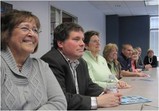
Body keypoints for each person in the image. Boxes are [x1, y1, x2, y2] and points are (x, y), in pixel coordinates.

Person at [41, 23, 122, 110]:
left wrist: (105, 93)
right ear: (60, 43)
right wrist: (97, 101)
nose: (82, 44)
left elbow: (89, 85)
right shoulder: (50, 61)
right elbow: (60, 98)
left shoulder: (81, 62)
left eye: (82, 40)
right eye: (76, 39)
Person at [1, 9, 67, 110]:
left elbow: (59, 102)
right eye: (24, 28)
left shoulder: (42, 66)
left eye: (35, 30)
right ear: (6, 34)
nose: (32, 34)